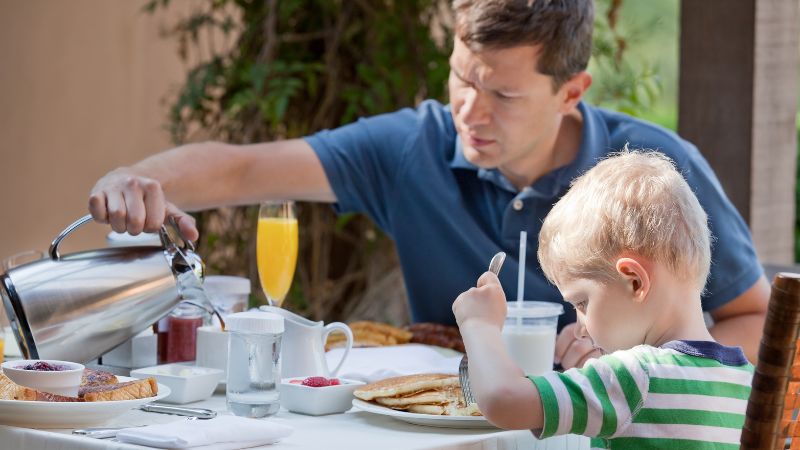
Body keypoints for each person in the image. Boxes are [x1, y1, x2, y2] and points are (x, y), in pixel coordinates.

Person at [88, 0, 768, 367]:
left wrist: (644, 355)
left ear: (572, 92)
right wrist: (139, 178)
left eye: (501, 94)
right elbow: (243, 167)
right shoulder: (414, 146)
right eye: (462, 78)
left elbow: (755, 317)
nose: (468, 112)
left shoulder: (652, 172)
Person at [452, 151, 752, 448]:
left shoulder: (633, 378)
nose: (581, 328)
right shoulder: (750, 384)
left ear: (634, 281)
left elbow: (504, 401)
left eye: (582, 303)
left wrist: (479, 325)